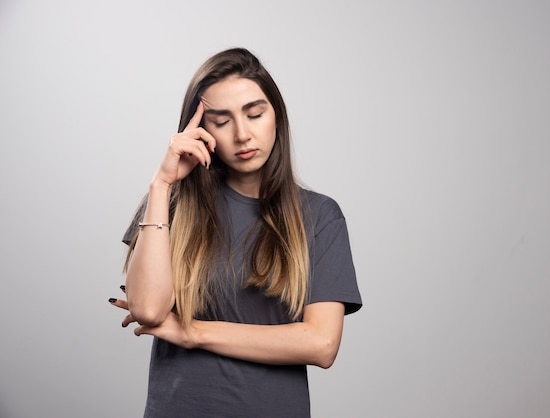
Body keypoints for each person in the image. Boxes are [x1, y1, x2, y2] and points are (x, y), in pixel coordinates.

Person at [109, 47, 362, 417]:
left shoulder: (319, 216)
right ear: (200, 130)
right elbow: (148, 309)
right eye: (222, 121)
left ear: (277, 117)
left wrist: (193, 332)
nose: (243, 134)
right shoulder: (171, 205)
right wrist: (162, 184)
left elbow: (321, 344)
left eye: (255, 114)